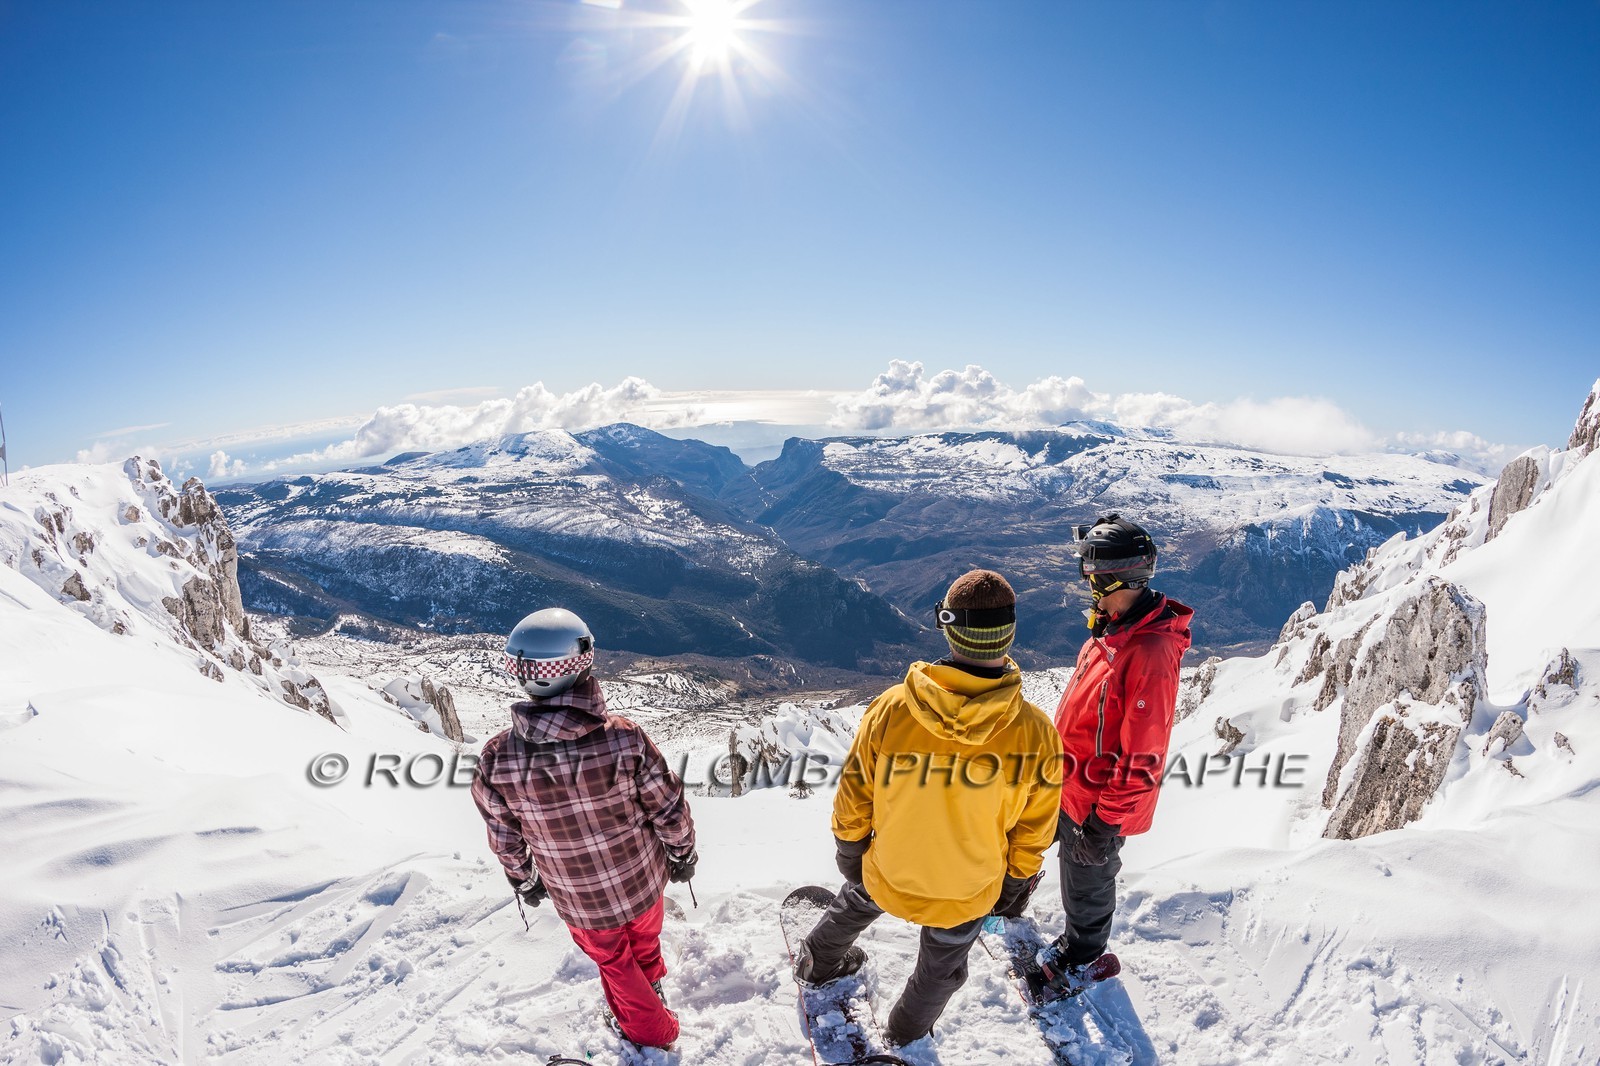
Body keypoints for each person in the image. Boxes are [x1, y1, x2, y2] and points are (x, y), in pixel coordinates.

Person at [795, 569, 1063, 1049]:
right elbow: (1035, 826)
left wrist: (850, 848)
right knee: (942, 967)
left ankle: (818, 961)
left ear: (948, 628)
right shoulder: (1036, 733)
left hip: (890, 867)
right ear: (1010, 633)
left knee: (857, 899)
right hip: (968, 887)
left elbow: (856, 791)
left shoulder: (893, 709)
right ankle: (906, 1032)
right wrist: (1016, 879)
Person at [470, 607, 697, 1051]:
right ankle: (652, 1019)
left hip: (578, 897)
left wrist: (525, 879)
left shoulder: (497, 758)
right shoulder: (624, 738)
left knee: (614, 961)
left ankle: (646, 1021)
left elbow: (504, 836)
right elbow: (667, 805)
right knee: (644, 940)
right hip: (642, 880)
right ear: (581, 664)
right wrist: (682, 851)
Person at [1039, 514, 1193, 992]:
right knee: (1043, 851)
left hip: (1097, 802)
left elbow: (1143, 753)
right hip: (1068, 781)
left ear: (1115, 578)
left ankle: (1085, 955)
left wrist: (1106, 824)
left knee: (1087, 880)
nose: (1091, 591)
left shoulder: (1147, 652)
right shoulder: (1113, 628)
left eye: (1093, 579)